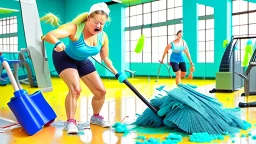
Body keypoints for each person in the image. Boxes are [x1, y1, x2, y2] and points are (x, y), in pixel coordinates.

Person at [42, 2, 127, 134]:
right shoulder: (75, 29)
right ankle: (70, 122)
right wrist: (58, 43)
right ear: (88, 18)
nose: (98, 26)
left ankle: (95, 117)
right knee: (76, 90)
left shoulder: (103, 37)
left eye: (102, 24)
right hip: (64, 57)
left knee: (101, 92)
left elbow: (105, 58)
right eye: (96, 22)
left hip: (82, 60)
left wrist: (117, 73)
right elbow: (49, 35)